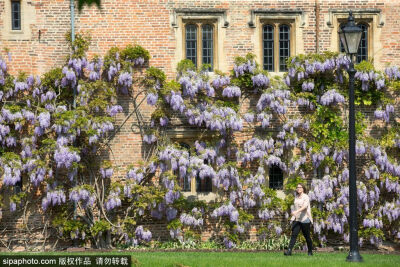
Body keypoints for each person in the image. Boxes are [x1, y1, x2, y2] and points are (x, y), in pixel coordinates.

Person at [284, 183, 314, 256]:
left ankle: (310, 251)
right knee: (294, 235)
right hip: (297, 219)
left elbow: (305, 207)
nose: (298, 188)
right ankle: (289, 251)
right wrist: (293, 214)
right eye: (297, 187)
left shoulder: (306, 197)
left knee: (307, 236)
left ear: (303, 188)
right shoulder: (296, 197)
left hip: (305, 219)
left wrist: (296, 211)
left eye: (300, 187)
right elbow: (295, 207)